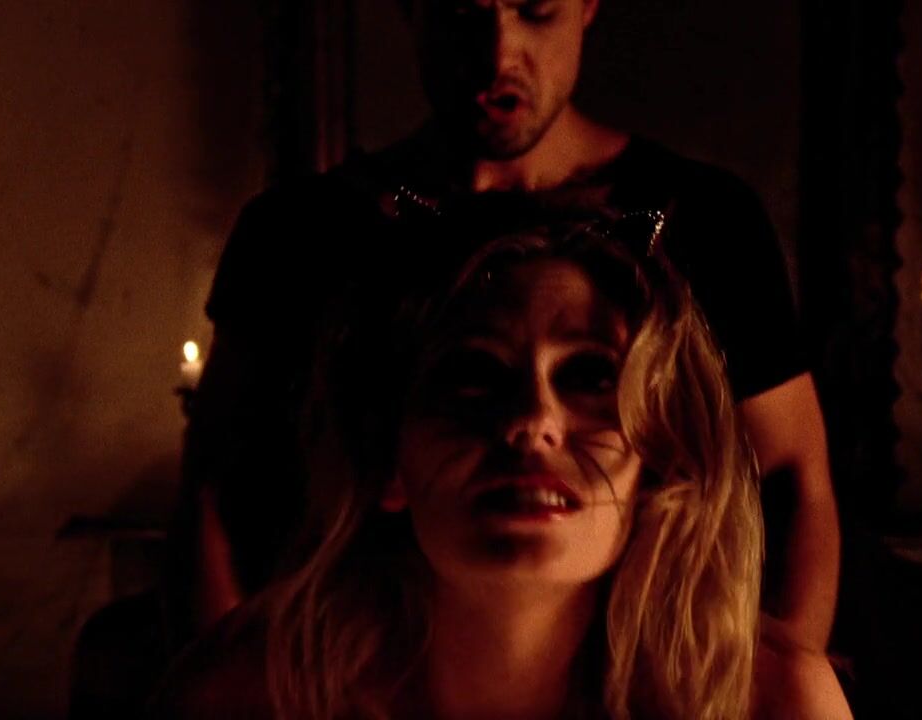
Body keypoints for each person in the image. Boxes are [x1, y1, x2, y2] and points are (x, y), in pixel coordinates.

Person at [171, 0, 838, 659]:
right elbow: (216, 487)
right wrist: (234, 680)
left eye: (535, 11)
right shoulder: (299, 232)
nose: (498, 57)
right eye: (462, 14)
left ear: (587, 7)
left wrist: (770, 683)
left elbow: (792, 479)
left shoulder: (705, 221)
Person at [155, 218, 851, 719]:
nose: (531, 420)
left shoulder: (771, 699)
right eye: (474, 374)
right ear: (389, 460)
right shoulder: (248, 691)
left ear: (658, 465)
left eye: (589, 376)